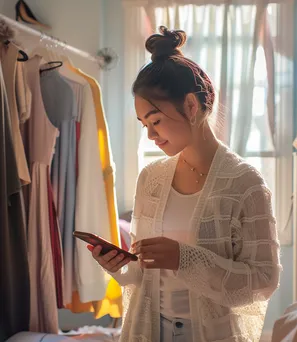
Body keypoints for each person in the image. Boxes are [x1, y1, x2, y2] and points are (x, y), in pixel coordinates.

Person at [88, 26, 281, 342]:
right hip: (149, 330)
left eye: (156, 120)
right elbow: (141, 274)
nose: (150, 134)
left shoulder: (245, 184)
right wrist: (118, 265)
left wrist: (185, 259)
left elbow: (263, 281)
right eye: (144, 125)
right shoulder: (150, 178)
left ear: (191, 106)